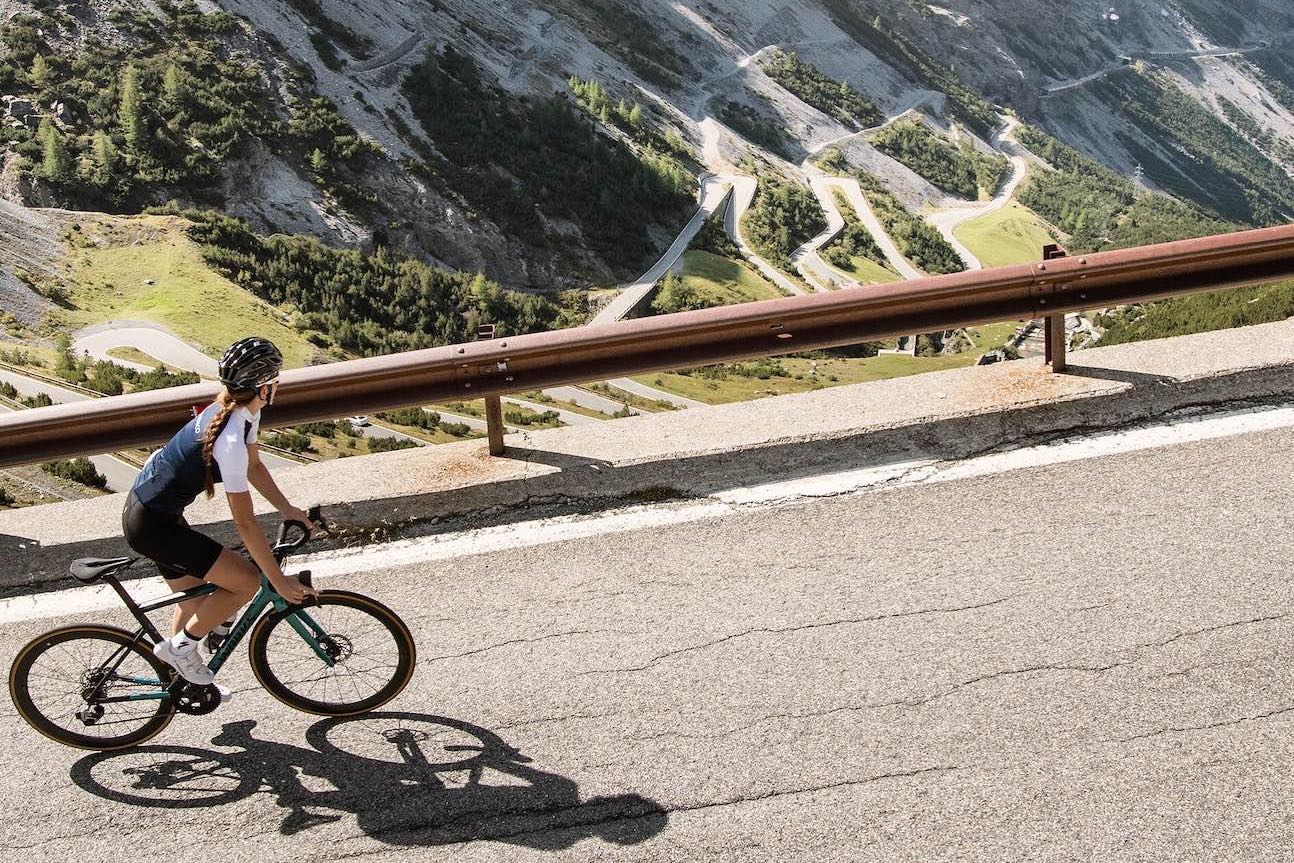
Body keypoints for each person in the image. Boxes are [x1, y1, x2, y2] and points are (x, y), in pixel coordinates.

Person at [121, 336, 318, 687]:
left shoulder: (241, 412)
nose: (278, 386)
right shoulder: (228, 439)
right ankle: (180, 650)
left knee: (195, 598)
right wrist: (278, 581)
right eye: (276, 380)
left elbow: (255, 466)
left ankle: (177, 682)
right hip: (152, 525)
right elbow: (244, 522)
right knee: (245, 583)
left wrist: (287, 509)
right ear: (263, 387)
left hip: (152, 511)